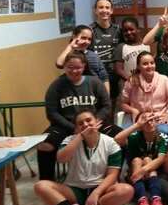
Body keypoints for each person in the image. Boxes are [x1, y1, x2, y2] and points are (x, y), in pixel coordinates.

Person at [33, 110, 134, 205]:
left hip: (100, 190)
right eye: (80, 123)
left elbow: (112, 175)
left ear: (97, 122)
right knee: (41, 186)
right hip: (74, 190)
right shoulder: (70, 140)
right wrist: (80, 136)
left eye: (89, 120)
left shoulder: (111, 143)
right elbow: (61, 159)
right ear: (76, 128)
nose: (85, 124)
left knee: (126, 190)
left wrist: (96, 193)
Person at [38, 51, 121, 182]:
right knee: (44, 145)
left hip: (94, 123)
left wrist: (95, 122)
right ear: (64, 67)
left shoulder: (94, 82)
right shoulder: (56, 85)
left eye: (78, 67)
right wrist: (73, 127)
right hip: (66, 125)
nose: (74, 71)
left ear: (84, 67)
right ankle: (47, 182)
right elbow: (52, 112)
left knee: (121, 138)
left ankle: (113, 178)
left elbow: (106, 105)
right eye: (70, 67)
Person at [114, 111, 168, 205]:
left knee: (148, 160)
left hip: (152, 174)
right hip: (133, 175)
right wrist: (137, 125)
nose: (149, 122)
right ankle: (142, 201)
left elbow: (161, 159)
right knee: (137, 160)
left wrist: (143, 170)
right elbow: (117, 139)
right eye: (145, 120)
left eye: (151, 119)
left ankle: (156, 199)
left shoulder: (162, 137)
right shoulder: (135, 136)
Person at [120, 52, 168, 125]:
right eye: (145, 64)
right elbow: (123, 104)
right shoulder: (132, 81)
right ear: (138, 66)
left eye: (152, 63)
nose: (149, 66)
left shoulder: (164, 80)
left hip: (159, 118)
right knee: (129, 135)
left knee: (165, 132)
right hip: (138, 119)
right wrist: (133, 110)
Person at [55, 25, 110, 93]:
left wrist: (106, 97)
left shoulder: (94, 56)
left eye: (89, 39)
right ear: (74, 37)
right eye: (83, 38)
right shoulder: (69, 54)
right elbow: (59, 64)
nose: (86, 41)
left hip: (94, 93)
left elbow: (104, 77)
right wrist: (71, 46)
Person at [89, 0, 122, 101]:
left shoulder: (118, 30)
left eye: (107, 7)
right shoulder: (89, 30)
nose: (104, 10)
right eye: (101, 7)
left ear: (111, 11)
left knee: (111, 105)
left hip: (114, 77)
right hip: (95, 76)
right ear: (95, 10)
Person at [113, 17, 150, 83]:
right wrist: (131, 79)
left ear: (138, 29)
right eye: (125, 30)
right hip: (128, 83)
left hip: (146, 82)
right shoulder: (121, 47)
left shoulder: (146, 45)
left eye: (131, 29)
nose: (128, 32)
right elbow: (118, 69)